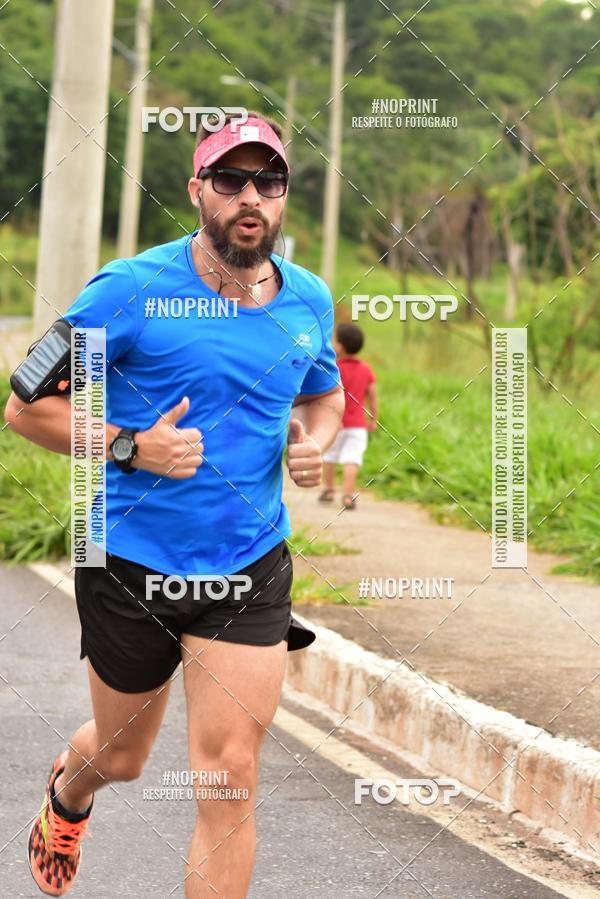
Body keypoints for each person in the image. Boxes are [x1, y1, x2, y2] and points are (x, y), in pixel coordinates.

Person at [4, 109, 344, 897]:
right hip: (130, 561)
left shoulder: (309, 300)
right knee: (122, 754)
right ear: (198, 189)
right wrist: (129, 443)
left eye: (269, 180)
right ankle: (70, 790)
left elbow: (325, 397)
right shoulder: (130, 290)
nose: (250, 195)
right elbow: (26, 406)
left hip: (247, 566)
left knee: (229, 773)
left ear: (285, 195)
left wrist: (316, 442)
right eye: (231, 178)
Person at [320, 322, 377, 510]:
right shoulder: (365, 369)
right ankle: (348, 495)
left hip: (335, 423)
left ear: (340, 346)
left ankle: (328, 490)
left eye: (334, 339)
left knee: (329, 456)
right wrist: (374, 418)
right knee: (352, 459)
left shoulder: (333, 368)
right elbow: (372, 395)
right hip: (357, 425)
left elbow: (325, 394)